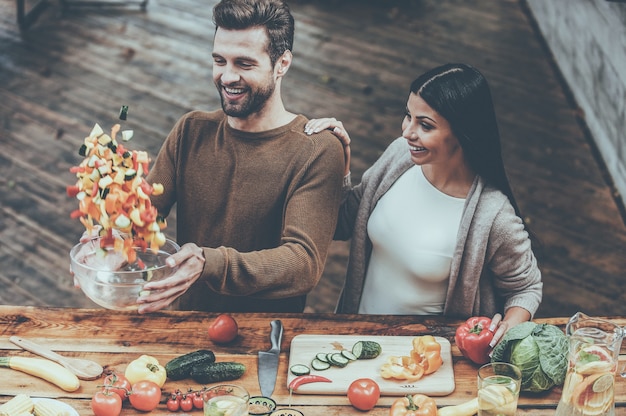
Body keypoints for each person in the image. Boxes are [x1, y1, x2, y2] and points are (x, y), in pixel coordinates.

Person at [305, 63, 542, 344]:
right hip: (358, 338)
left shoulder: (493, 215)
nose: (408, 132)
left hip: (425, 358)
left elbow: (526, 287)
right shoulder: (399, 156)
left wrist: (507, 328)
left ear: (462, 133)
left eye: (425, 125)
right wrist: (339, 161)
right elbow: (343, 222)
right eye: (408, 116)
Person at [135, 0, 345, 313]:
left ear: (282, 64)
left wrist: (209, 263)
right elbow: (144, 213)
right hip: (187, 323)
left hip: (267, 336)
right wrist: (105, 240)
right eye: (220, 61)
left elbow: (303, 264)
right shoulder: (191, 129)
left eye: (244, 64)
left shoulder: (317, 149)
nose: (227, 77)